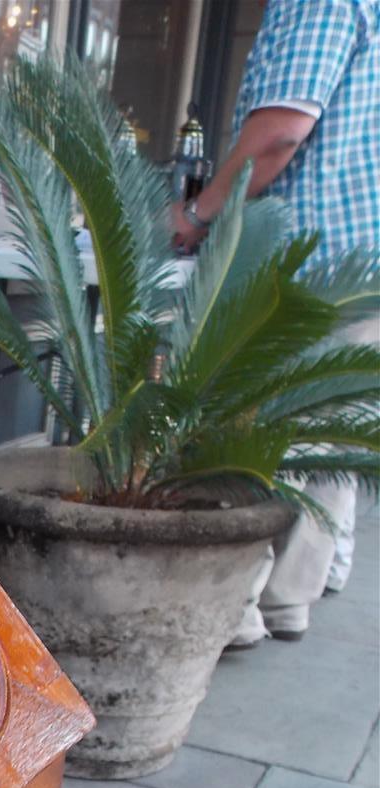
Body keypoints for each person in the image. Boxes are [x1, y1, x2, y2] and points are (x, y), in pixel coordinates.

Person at [172, 0, 380, 644]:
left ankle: (238, 607)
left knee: (256, 431)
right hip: (359, 256)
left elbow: (281, 132)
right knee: (330, 434)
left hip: (309, 261)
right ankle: (292, 598)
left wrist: (198, 215)